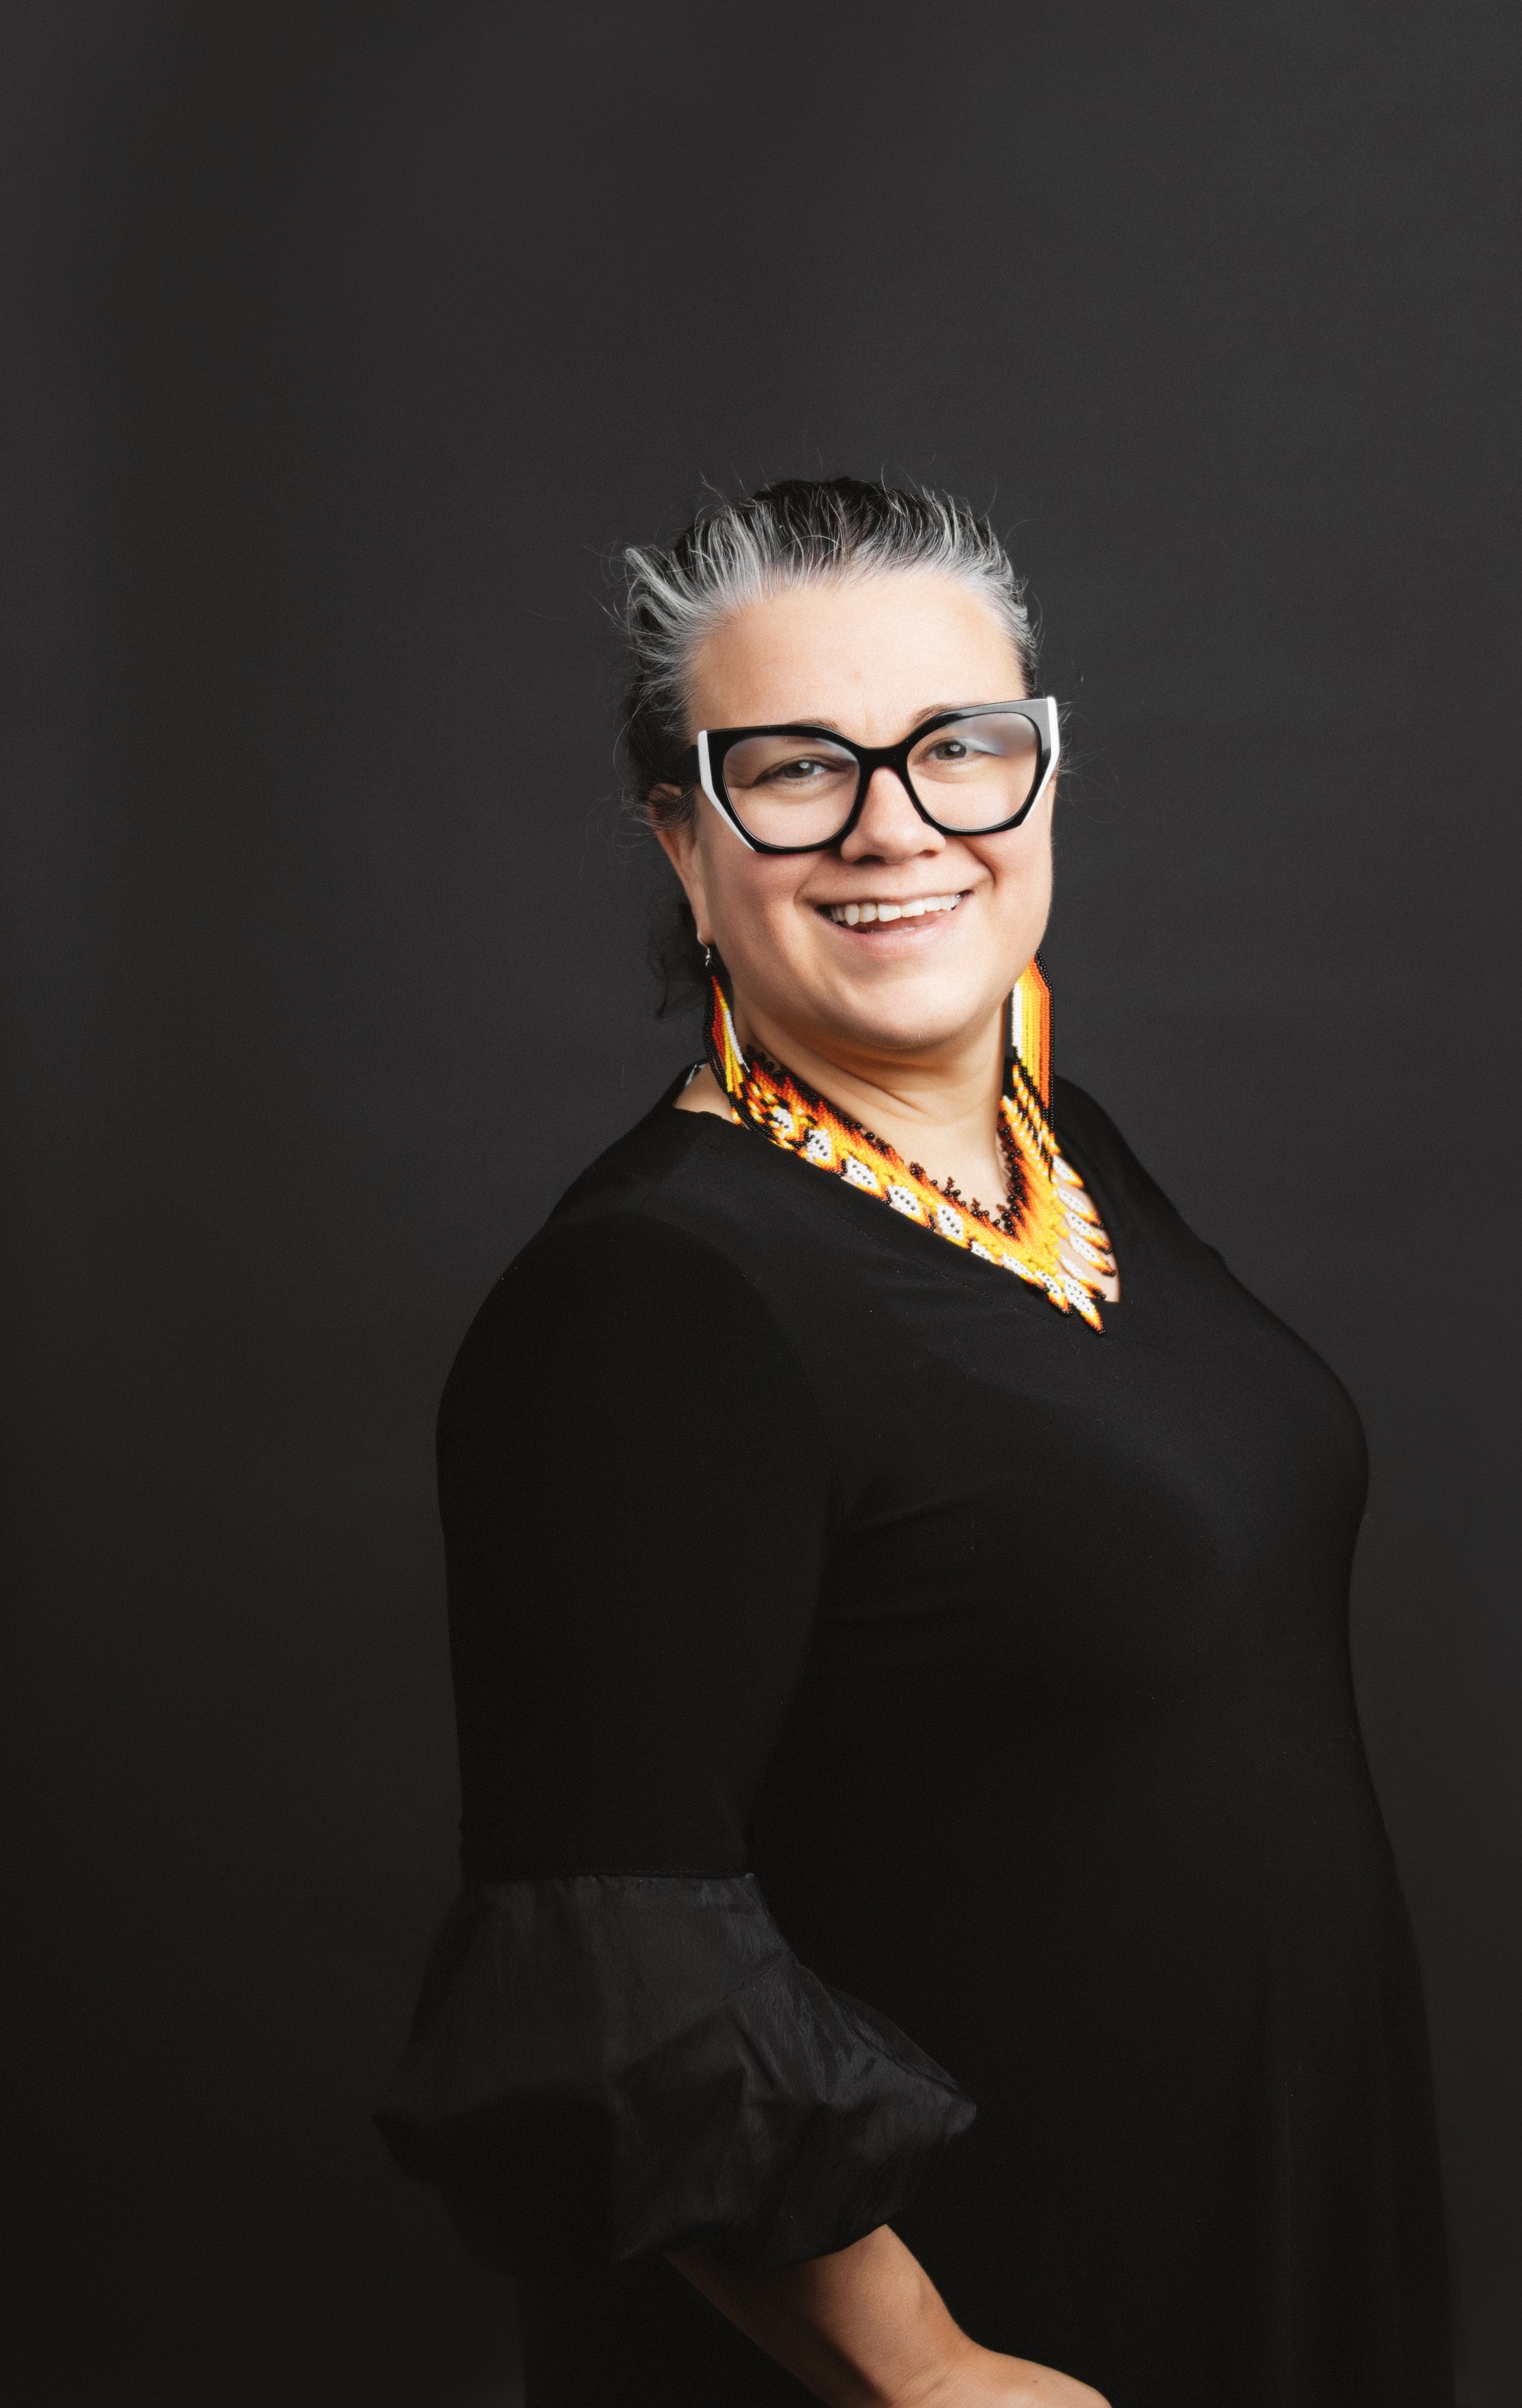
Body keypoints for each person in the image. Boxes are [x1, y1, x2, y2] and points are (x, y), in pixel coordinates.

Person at [378, 477, 1453, 2407]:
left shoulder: (1048, 1145)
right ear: (683, 836)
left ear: (1039, 776)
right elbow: (606, 1968)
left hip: (1253, 2228)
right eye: (797, 769)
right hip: (986, 2324)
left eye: (960, 749)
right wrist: (925, 2368)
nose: (897, 825)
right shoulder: (651, 1298)